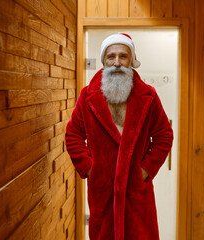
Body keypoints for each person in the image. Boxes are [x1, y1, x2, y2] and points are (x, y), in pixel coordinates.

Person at [65, 33, 173, 240]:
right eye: (110, 56)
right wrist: (90, 169)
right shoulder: (87, 96)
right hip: (102, 191)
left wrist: (144, 170)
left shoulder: (148, 97)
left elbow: (164, 136)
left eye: (123, 56)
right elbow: (73, 135)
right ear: (104, 61)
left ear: (132, 61)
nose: (116, 63)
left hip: (137, 192)